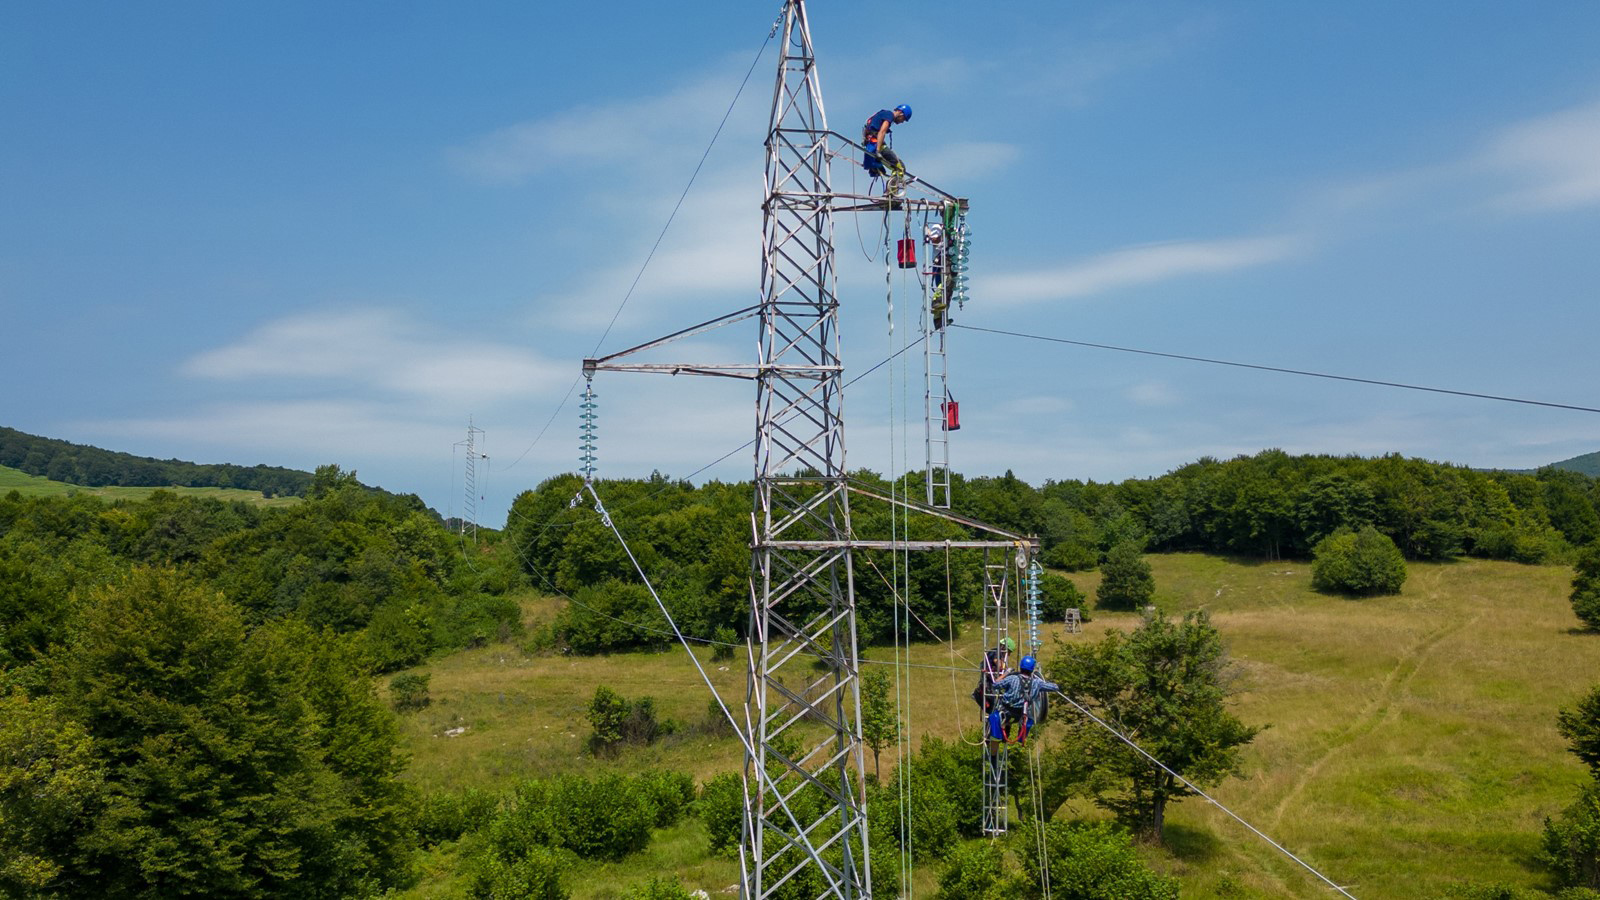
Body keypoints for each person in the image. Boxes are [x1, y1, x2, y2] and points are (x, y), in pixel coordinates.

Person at [987, 655, 1059, 745]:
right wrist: (1039, 680)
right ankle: (1021, 738)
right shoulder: (1037, 683)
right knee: (1028, 720)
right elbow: (1055, 687)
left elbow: (995, 684)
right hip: (1021, 715)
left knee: (994, 717)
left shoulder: (1012, 679)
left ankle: (997, 739)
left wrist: (1006, 673)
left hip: (1005, 712)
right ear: (1032, 670)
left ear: (1021, 668)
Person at [862, 104, 912, 179]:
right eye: (904, 119)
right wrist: (878, 151)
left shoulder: (883, 114)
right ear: (901, 113)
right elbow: (882, 132)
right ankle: (893, 189)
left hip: (870, 144)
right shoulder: (889, 115)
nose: (902, 122)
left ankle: (876, 168)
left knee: (883, 169)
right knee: (900, 167)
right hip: (875, 144)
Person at [973, 636, 1016, 713]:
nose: (1008, 655)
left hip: (989, 681)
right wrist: (1007, 671)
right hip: (989, 682)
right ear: (1004, 647)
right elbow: (998, 664)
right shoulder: (996, 652)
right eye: (1008, 652)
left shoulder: (995, 652)